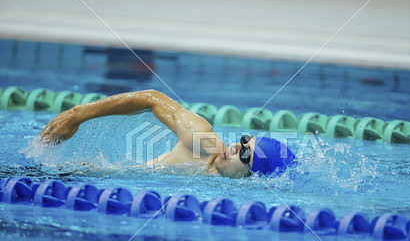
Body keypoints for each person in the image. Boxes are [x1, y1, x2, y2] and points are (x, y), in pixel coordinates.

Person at [40, 90, 295, 178]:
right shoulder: (202, 143)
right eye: (244, 141)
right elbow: (153, 98)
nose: (237, 147)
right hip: (75, 175)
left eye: (246, 153)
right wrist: (78, 114)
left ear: (254, 176)